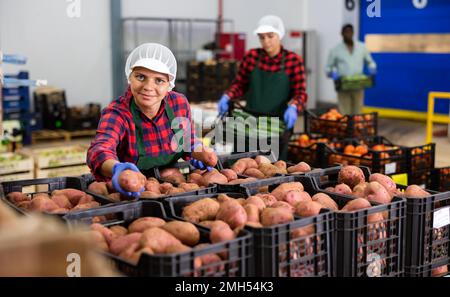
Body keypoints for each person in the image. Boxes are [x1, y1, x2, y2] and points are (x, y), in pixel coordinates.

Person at [87, 43, 215, 198]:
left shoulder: (178, 104)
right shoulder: (117, 113)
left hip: (171, 185)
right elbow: (100, 150)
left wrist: (200, 150)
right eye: (140, 77)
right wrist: (117, 169)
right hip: (130, 192)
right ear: (130, 77)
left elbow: (185, 140)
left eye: (159, 80)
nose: (148, 87)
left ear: (169, 84)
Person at [217, 15, 307, 160]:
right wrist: (228, 95)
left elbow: (300, 93)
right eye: (262, 37)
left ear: (280, 35)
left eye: (270, 36)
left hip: (275, 124)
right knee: (240, 165)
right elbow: (240, 84)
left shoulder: (293, 61)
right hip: (249, 121)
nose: (266, 42)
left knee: (271, 168)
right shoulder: (252, 57)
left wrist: (295, 107)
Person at [326, 24, 377, 115]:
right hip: (343, 85)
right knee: (344, 112)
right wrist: (332, 73)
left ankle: (356, 128)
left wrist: (372, 67)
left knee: (357, 111)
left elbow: (370, 62)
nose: (348, 34)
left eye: (350, 32)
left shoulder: (362, 47)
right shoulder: (335, 50)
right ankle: (345, 128)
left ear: (353, 33)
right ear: (341, 33)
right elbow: (328, 67)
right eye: (346, 32)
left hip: (358, 84)